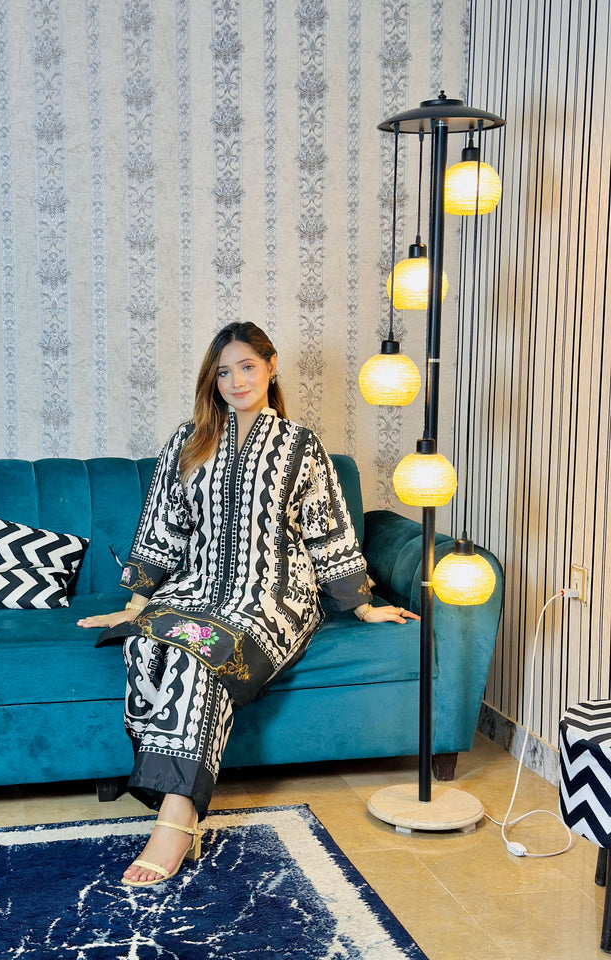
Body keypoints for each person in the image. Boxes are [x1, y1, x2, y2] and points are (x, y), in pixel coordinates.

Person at [78, 321, 419, 887]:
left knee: (202, 654)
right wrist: (136, 604)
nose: (235, 381)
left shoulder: (300, 446)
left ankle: (175, 822)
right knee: (146, 646)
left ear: (271, 366)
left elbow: (327, 528)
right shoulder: (188, 441)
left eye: (247, 367)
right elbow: (164, 527)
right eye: (223, 372)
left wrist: (362, 604)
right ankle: (176, 802)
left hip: (275, 595)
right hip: (196, 587)